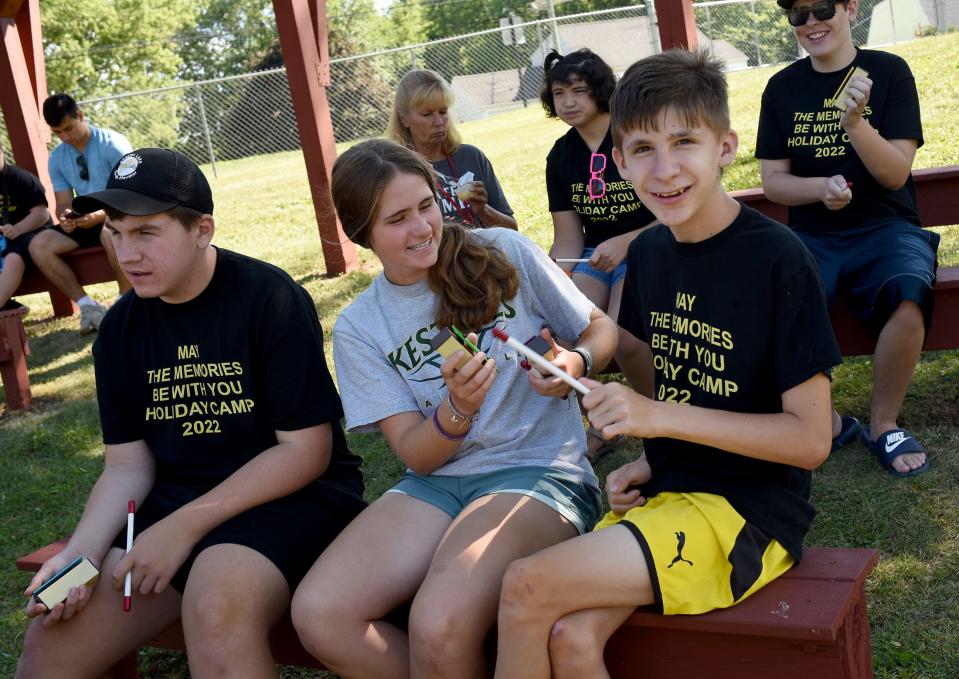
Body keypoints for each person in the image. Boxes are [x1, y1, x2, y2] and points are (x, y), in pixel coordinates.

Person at [494, 49, 840, 679]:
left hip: (749, 514)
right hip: (673, 494)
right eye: (643, 149)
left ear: (725, 147)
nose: (666, 168)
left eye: (685, 141)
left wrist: (657, 418)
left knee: (524, 587)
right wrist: (595, 389)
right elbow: (673, 386)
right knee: (569, 636)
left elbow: (812, 440)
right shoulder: (652, 252)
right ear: (619, 161)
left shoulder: (777, 259)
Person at [16, 148, 366, 678]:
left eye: (147, 233)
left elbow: (306, 451)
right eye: (116, 231)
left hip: (291, 499)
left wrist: (182, 527)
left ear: (202, 229)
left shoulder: (267, 298)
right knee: (50, 644)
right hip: (173, 509)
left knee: (216, 601)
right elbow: (127, 466)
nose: (127, 253)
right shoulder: (120, 330)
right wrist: (82, 555)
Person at [290, 138, 617, 678]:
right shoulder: (360, 327)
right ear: (361, 233)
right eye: (396, 219)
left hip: (539, 470)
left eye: (425, 205)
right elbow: (417, 457)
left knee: (438, 622)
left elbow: (601, 330)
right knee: (320, 614)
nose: (422, 228)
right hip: (439, 480)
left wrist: (575, 364)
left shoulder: (503, 251)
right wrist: (457, 411)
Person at [756, 0, 934, 477]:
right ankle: (826, 424)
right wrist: (819, 189)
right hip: (814, 233)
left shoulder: (889, 72)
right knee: (779, 298)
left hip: (887, 228)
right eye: (799, 15)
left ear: (850, 7)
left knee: (908, 293)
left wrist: (854, 123)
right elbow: (773, 181)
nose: (812, 23)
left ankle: (883, 424)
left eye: (821, 9)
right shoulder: (782, 88)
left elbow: (895, 174)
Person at [541, 49, 659, 456]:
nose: (569, 101)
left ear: (601, 90)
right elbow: (569, 237)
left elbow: (671, 211)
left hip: (649, 245)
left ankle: (660, 426)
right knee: (564, 331)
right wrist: (552, 280)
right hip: (595, 255)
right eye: (559, 93)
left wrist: (626, 242)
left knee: (625, 336)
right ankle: (599, 424)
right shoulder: (560, 156)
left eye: (579, 90)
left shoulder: (634, 135)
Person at [28, 94, 133, 333]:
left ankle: (126, 302)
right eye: (57, 133)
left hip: (120, 214)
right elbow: (63, 202)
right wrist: (65, 218)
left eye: (68, 128)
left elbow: (131, 193)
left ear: (81, 116)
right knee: (39, 245)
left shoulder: (113, 144)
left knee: (110, 233)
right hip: (86, 220)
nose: (64, 137)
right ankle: (89, 307)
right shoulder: (57, 158)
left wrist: (100, 215)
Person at [386, 69, 517, 230]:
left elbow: (512, 229)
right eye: (427, 114)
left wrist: (483, 211)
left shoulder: (471, 156)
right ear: (404, 118)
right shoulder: (398, 172)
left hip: (486, 254)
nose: (439, 121)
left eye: (443, 111)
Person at [0, 139, 53, 310]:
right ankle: (9, 306)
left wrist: (17, 229)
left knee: (13, 258)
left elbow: (42, 214)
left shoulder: (20, 178)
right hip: (5, 238)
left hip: (33, 234)